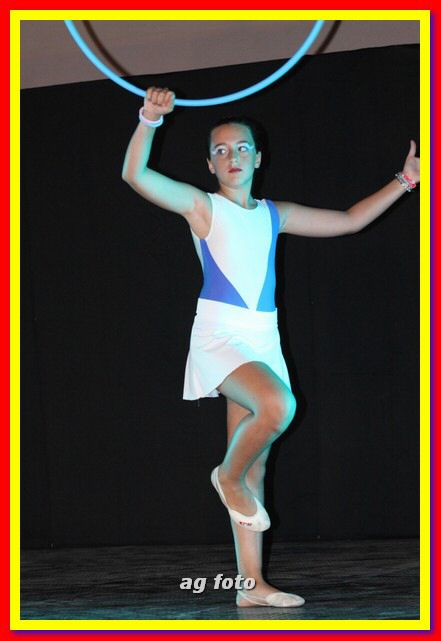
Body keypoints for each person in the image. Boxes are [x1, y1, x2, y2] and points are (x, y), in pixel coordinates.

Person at [122, 87, 420, 608]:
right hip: (221, 334)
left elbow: (350, 220)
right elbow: (136, 175)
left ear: (258, 158)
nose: (231, 156)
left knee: (257, 465)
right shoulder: (202, 206)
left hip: (263, 336)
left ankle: (251, 586)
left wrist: (406, 181)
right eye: (220, 150)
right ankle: (225, 477)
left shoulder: (274, 214)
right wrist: (149, 118)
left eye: (241, 147)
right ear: (209, 164)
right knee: (278, 407)